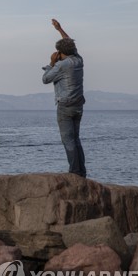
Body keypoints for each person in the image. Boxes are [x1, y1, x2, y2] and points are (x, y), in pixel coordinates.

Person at [42, 19, 86, 178]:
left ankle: (74, 173)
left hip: (65, 106)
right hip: (78, 106)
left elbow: (45, 79)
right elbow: (70, 45)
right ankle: (81, 173)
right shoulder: (78, 60)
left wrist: (51, 62)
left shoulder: (62, 65)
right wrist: (60, 29)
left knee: (68, 141)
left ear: (61, 53)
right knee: (76, 139)